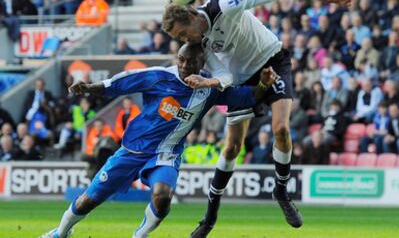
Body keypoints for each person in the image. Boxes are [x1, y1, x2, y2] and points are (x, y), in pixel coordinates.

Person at [162, 0, 352, 235]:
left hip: (272, 61)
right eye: (179, 39)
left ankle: (281, 191)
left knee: (281, 129)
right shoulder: (201, 46)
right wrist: (211, 81)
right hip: (242, 80)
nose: (184, 40)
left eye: (183, 34)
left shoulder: (224, 5)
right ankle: (209, 218)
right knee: (231, 148)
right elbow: (224, 76)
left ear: (193, 16)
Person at [39, 43, 278, 238]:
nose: (185, 65)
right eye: (181, 60)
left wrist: (263, 84)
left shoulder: (211, 88)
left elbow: (247, 97)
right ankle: (60, 233)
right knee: (87, 201)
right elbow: (119, 83)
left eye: (191, 61)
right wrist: (88, 87)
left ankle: (139, 236)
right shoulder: (158, 77)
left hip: (166, 153)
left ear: (202, 64)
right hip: (131, 150)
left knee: (163, 196)